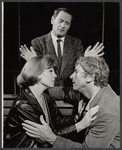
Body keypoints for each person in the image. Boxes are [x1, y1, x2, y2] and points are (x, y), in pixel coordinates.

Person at [22, 56, 120, 148]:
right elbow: (63, 92)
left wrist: (51, 138)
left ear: (89, 77)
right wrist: (38, 83)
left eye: (76, 71)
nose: (71, 76)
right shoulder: (90, 94)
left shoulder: (107, 111)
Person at [4, 55, 99, 148]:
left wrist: (77, 117)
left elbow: (57, 120)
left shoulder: (46, 97)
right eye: (50, 71)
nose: (55, 75)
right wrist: (81, 125)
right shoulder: (23, 105)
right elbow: (45, 137)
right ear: (37, 73)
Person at [19, 7, 104, 86]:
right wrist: (34, 62)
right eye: (60, 21)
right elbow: (36, 74)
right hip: (47, 91)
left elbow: (79, 68)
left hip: (70, 92)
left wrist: (86, 59)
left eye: (67, 23)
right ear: (52, 20)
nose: (63, 26)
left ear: (69, 26)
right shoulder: (38, 43)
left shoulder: (76, 43)